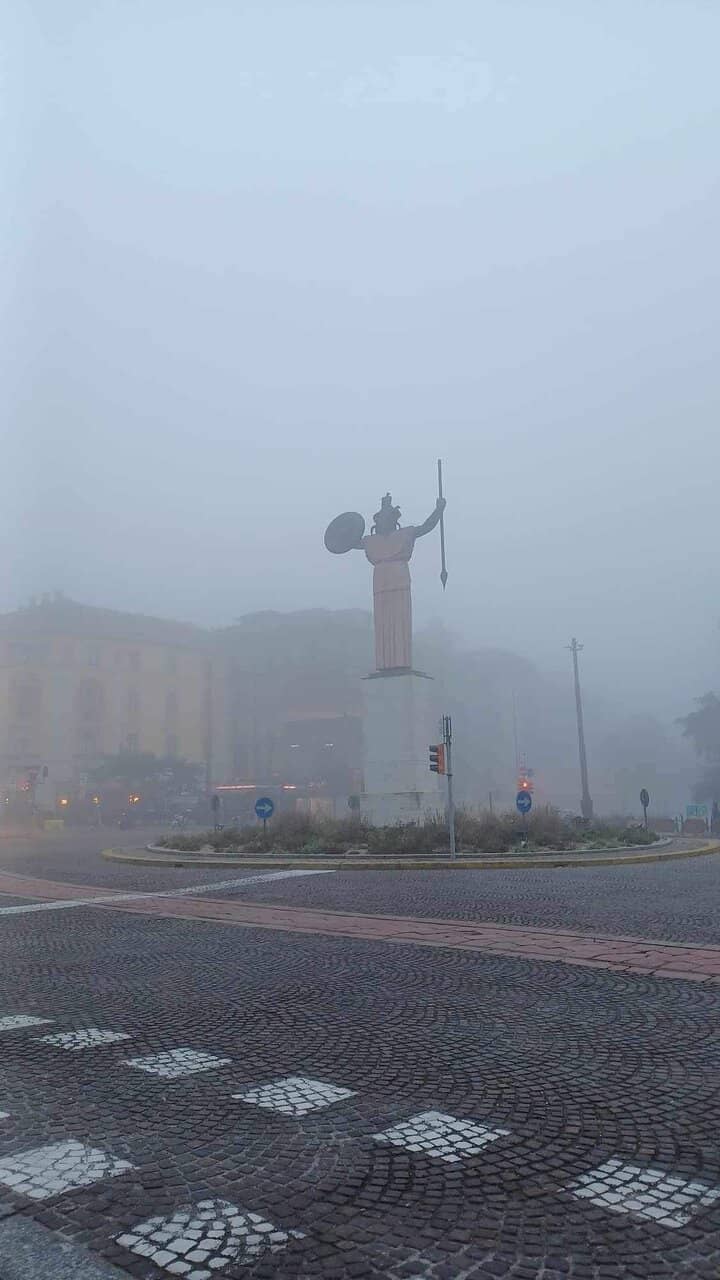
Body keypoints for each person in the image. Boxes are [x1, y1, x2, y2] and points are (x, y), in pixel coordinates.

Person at [359, 493, 445, 670]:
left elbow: (426, 527)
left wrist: (438, 510)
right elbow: (346, 541)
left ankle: (400, 660)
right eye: (381, 518)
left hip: (399, 578)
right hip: (380, 580)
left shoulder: (406, 533)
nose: (383, 521)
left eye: (387, 517)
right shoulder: (370, 541)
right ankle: (384, 663)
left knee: (400, 618)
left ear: (393, 519)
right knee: (382, 621)